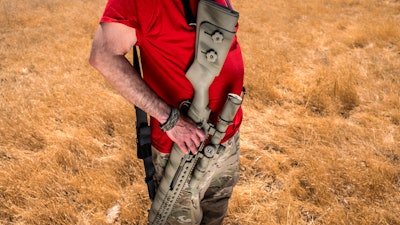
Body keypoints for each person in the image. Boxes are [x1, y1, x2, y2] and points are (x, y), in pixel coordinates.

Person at [89, 0, 244, 224]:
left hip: (226, 136)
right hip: (182, 150)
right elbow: (103, 56)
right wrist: (170, 120)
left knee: (215, 214)